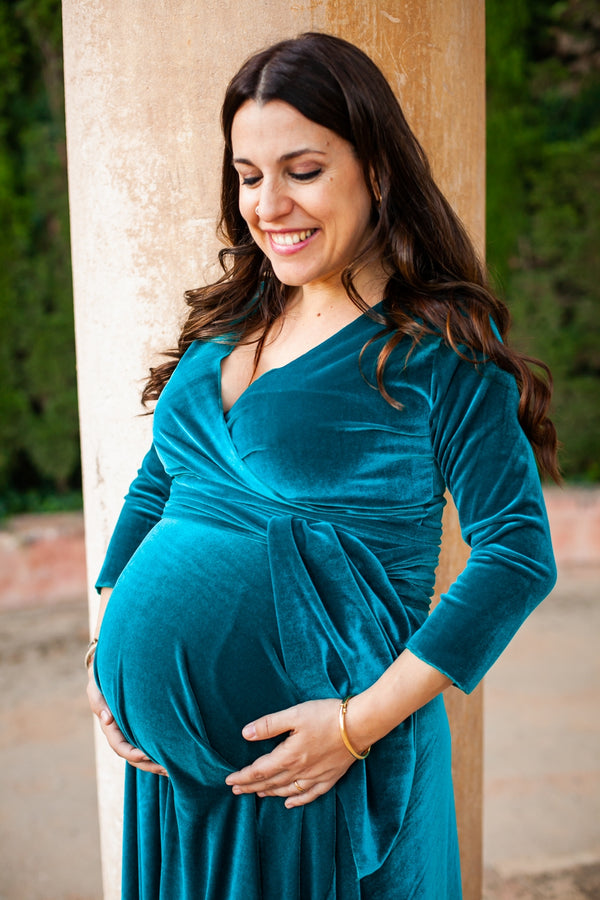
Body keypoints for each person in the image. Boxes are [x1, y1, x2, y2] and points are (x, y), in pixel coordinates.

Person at [86, 31, 559, 900]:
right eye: (249, 174)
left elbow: (517, 556)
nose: (269, 204)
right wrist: (106, 652)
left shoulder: (438, 349)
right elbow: (163, 482)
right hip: (174, 789)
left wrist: (351, 728)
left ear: (376, 169)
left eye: (302, 170)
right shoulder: (231, 322)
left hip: (317, 781)